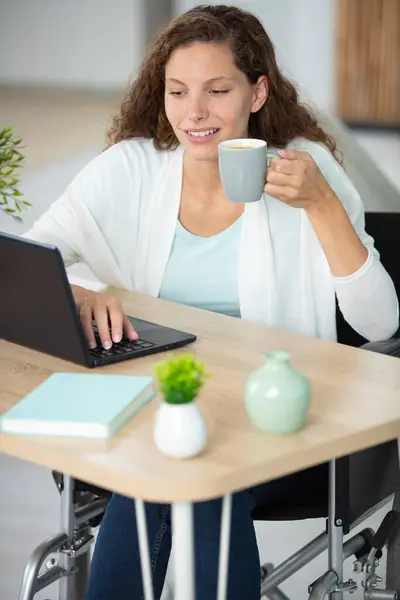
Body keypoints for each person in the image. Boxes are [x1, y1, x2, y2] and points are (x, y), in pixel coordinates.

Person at [24, 5, 399, 599]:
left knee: (179, 475)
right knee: (180, 467)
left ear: (258, 92)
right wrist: (80, 288)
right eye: (177, 91)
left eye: (217, 90)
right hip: (155, 413)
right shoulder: (133, 169)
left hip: (278, 428)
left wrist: (323, 208)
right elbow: (31, 256)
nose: (193, 112)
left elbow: (381, 322)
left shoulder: (308, 168)